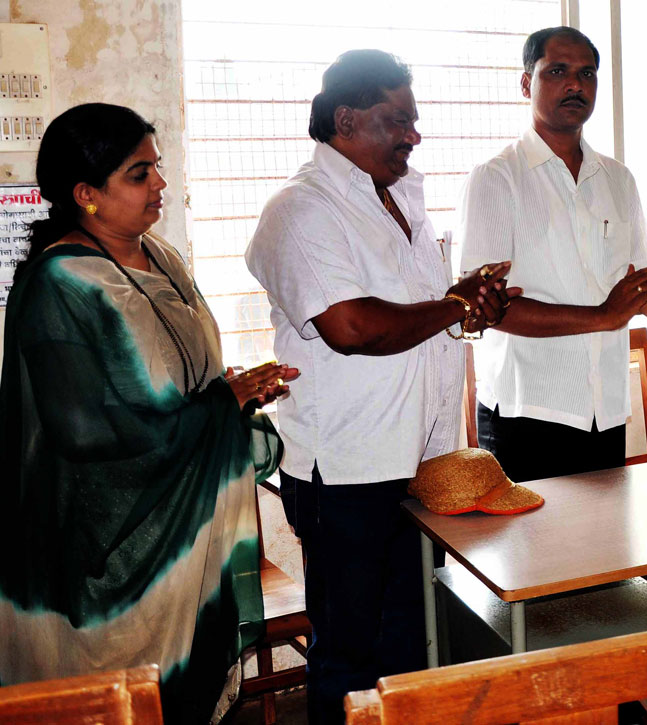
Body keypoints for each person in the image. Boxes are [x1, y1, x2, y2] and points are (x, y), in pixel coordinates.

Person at [0, 103, 294, 725]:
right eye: (139, 174)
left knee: (187, 690)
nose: (160, 183)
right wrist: (221, 406)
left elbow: (179, 380)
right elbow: (85, 429)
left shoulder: (158, 255)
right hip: (103, 543)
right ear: (86, 195)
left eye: (156, 167)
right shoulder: (60, 285)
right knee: (121, 703)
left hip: (183, 523)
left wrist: (230, 394)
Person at [245, 50, 513, 724]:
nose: (413, 135)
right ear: (346, 118)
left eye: (413, 122)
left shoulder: (398, 199)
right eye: (398, 120)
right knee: (351, 656)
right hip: (348, 475)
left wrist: (467, 301)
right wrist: (455, 305)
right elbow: (352, 325)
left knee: (411, 644)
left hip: (418, 464)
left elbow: (420, 315)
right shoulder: (300, 210)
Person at [457, 26, 647, 483]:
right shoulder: (496, 179)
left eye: (587, 74)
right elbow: (484, 310)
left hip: (604, 411)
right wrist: (604, 315)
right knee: (532, 555)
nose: (576, 85)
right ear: (527, 83)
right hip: (526, 415)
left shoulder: (618, 179)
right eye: (557, 71)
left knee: (607, 553)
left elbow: (636, 281)